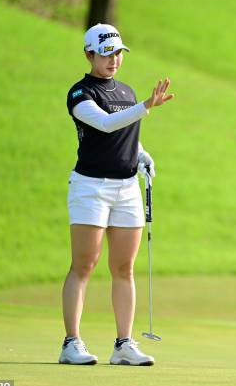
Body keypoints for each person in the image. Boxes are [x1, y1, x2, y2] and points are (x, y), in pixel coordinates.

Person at [58, 24, 174, 366]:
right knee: (84, 264)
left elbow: (123, 133)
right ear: (89, 55)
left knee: (124, 267)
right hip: (91, 187)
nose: (114, 60)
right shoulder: (80, 94)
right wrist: (145, 106)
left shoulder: (126, 90)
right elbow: (106, 124)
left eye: (118, 53)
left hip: (126, 189)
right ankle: (71, 343)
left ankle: (124, 344)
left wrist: (140, 154)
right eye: (106, 54)